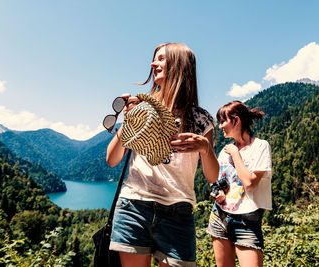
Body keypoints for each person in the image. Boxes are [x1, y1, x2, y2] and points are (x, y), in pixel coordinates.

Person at [106, 43, 219, 267]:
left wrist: (206, 149)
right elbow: (112, 159)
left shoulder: (201, 119)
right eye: (154, 59)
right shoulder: (142, 108)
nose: (152, 64)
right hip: (134, 205)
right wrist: (129, 122)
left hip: (178, 213)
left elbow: (213, 177)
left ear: (179, 65)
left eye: (160, 59)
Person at [207, 100, 272, 267]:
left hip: (247, 222)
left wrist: (236, 153)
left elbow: (250, 183)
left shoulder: (260, 147)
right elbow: (220, 182)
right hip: (220, 216)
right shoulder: (224, 151)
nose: (220, 126)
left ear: (236, 120)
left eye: (223, 121)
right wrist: (218, 193)